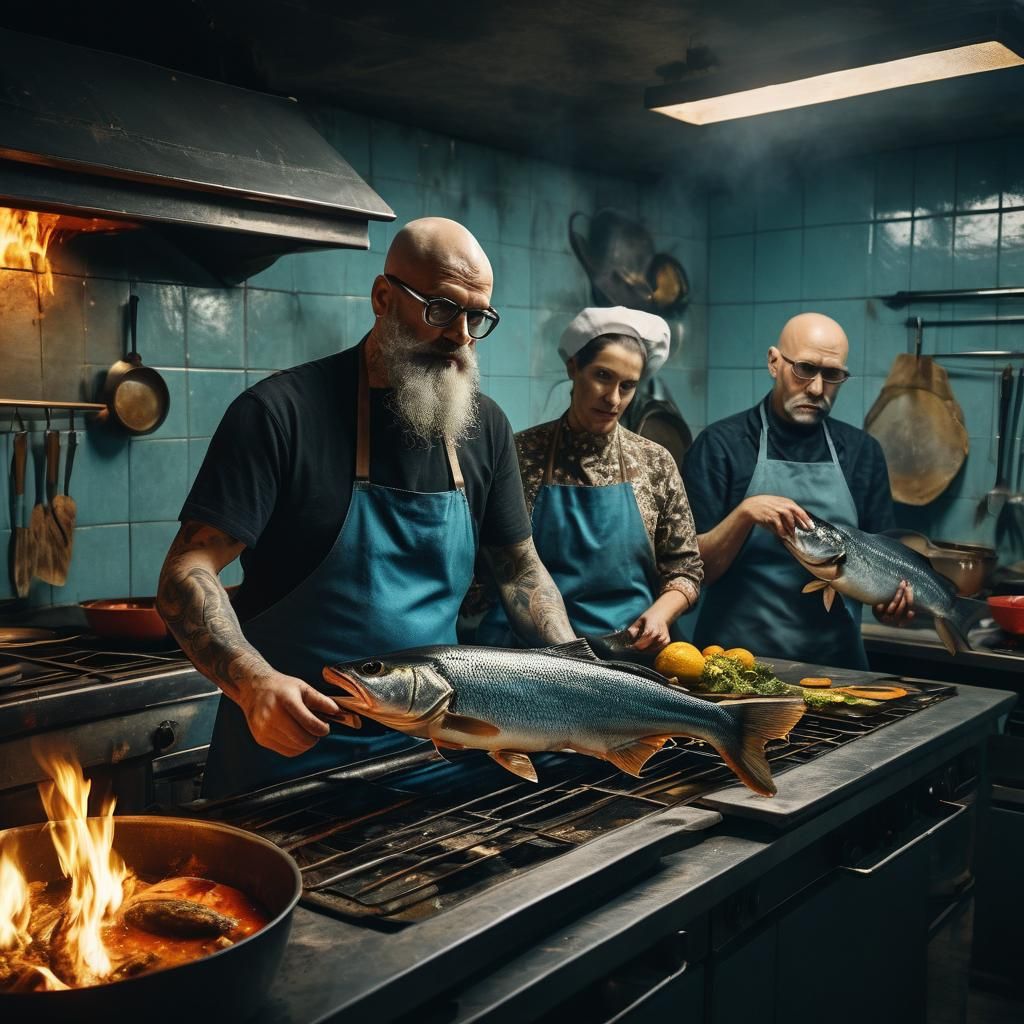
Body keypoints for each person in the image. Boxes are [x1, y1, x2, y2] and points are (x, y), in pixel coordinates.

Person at [156, 217, 575, 799]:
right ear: (383, 297)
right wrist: (254, 685)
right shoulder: (280, 414)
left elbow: (520, 570)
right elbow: (187, 572)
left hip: (435, 762)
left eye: (476, 317)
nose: (461, 336)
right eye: (440, 309)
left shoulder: (485, 428)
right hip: (290, 768)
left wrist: (578, 673)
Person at [682, 312, 913, 670]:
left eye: (832, 375)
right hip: (734, 672)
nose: (817, 388)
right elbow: (692, 573)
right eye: (804, 368)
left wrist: (892, 605)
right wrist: (745, 514)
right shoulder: (721, 446)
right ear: (774, 362)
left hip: (839, 670)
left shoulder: (862, 452)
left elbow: (882, 571)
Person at [477, 306, 703, 650]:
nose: (613, 399)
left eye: (627, 386)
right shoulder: (520, 454)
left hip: (629, 654)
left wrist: (661, 613)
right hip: (534, 654)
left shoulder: (655, 463)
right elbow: (491, 568)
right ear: (574, 367)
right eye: (602, 376)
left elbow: (685, 568)